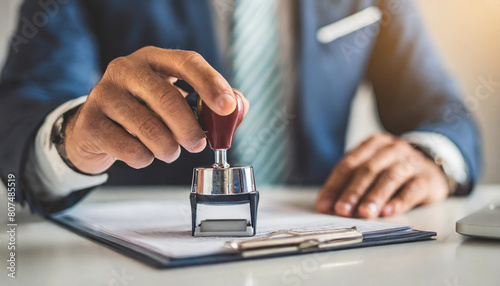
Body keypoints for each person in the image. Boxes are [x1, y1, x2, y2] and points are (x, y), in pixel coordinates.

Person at [0, 0, 481, 218]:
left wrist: (431, 156)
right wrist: (71, 139)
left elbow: (444, 114)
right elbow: (20, 109)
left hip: (324, 245)